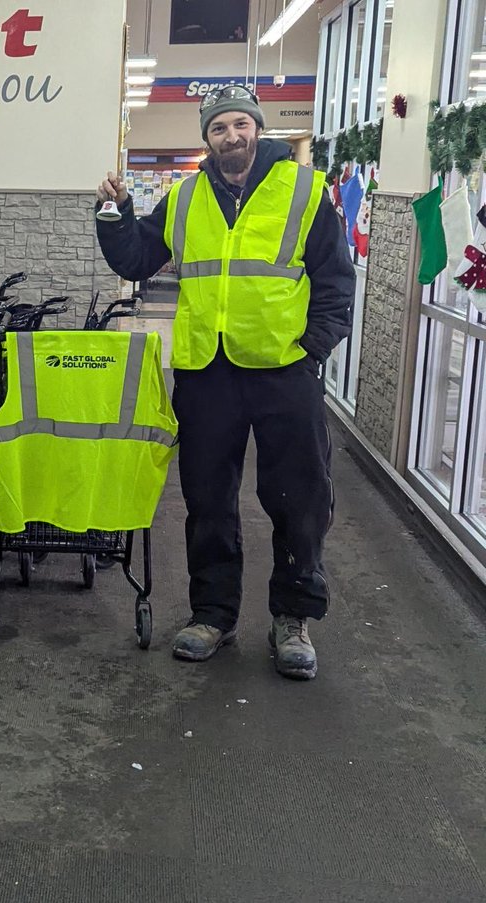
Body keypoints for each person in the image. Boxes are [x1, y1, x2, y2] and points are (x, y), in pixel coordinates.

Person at [95, 85, 354, 680]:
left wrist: (311, 348)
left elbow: (336, 282)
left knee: (299, 495)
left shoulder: (305, 192)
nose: (231, 136)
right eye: (219, 128)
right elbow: (137, 261)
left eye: (241, 124)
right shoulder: (184, 198)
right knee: (207, 497)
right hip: (207, 371)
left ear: (257, 129)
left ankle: (293, 617)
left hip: (284, 370)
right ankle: (212, 613)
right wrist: (113, 214)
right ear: (206, 137)